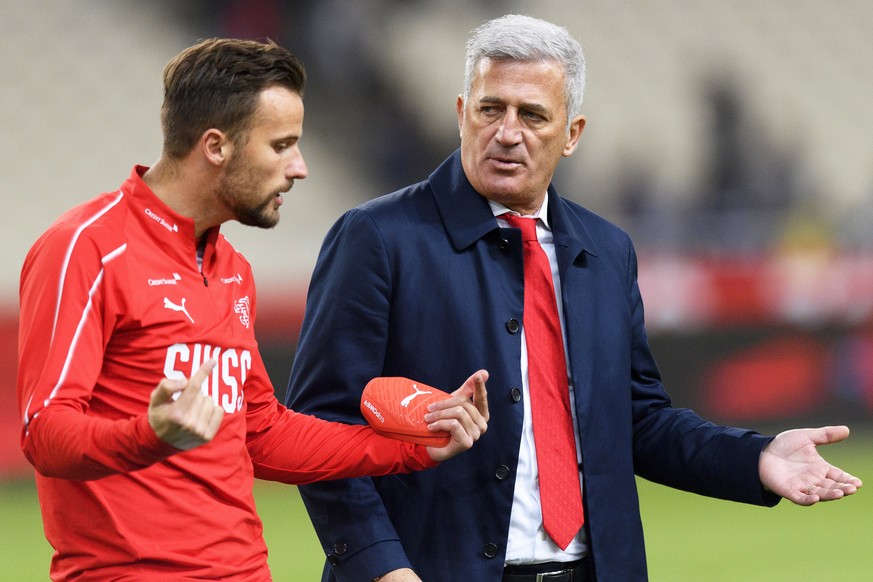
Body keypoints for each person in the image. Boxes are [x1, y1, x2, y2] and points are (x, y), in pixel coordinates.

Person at [285, 14, 862, 582]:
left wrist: (756, 459)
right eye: (491, 109)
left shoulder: (606, 250)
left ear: (572, 134)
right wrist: (383, 570)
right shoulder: (378, 238)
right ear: (462, 114)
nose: (507, 132)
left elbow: (637, 421)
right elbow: (317, 429)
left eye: (533, 115)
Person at [16, 38, 490, 581]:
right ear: (216, 146)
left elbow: (262, 432)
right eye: (282, 145)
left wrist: (411, 449)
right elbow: (44, 431)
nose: (300, 167)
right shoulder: (87, 249)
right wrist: (149, 435)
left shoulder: (232, 268)